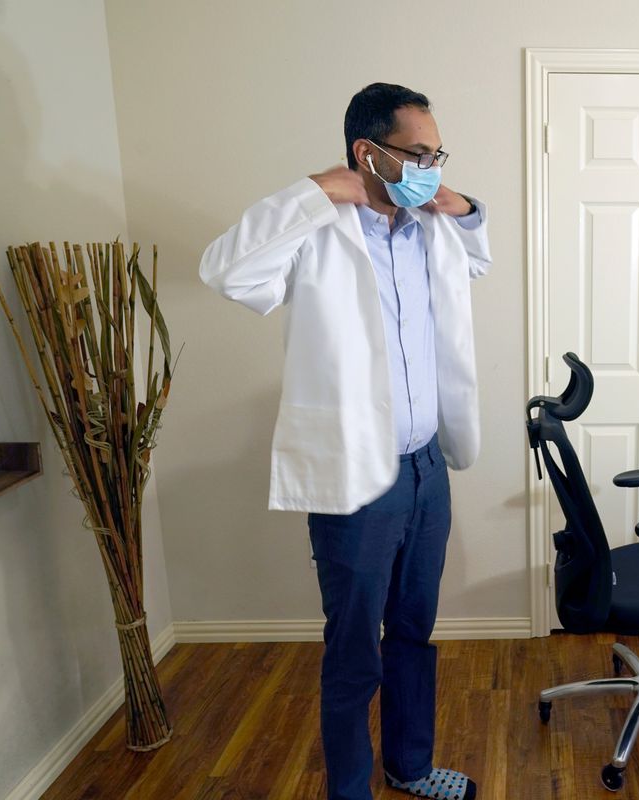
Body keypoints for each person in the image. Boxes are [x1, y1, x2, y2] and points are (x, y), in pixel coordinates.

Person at [199, 82, 489, 800]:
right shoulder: (317, 232)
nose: (431, 167)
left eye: (437, 153)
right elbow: (227, 271)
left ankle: (411, 767)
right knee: (355, 650)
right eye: (418, 153)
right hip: (360, 479)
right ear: (368, 152)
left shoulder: (429, 228)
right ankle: (350, 792)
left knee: (414, 631)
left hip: (427, 468)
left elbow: (476, 256)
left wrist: (465, 206)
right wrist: (313, 192)